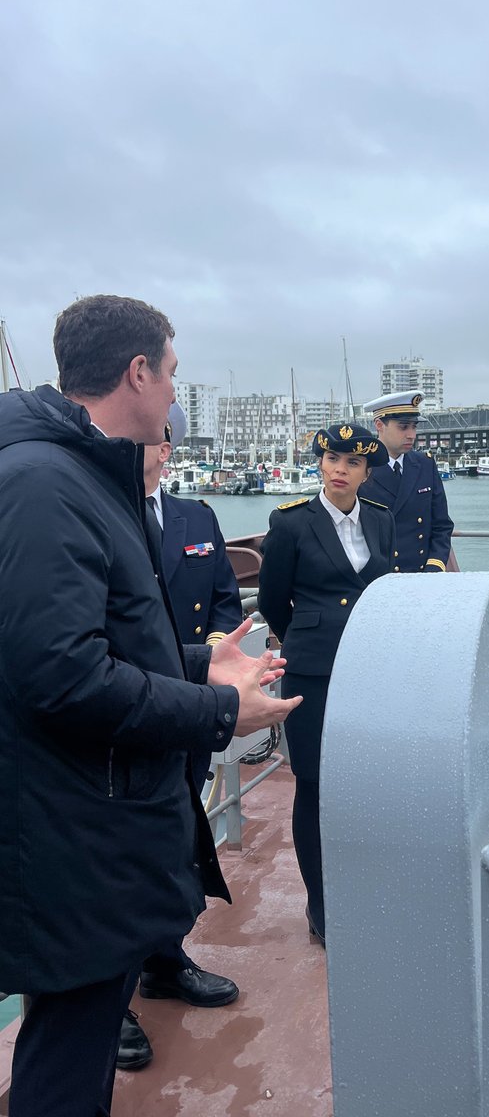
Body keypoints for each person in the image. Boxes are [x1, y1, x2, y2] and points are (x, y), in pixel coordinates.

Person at [0, 294, 302, 1117]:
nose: (173, 391)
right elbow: (58, 675)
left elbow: (92, 641)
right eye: (171, 372)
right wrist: (216, 715)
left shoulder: (68, 473)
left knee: (82, 1038)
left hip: (84, 823)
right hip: (68, 833)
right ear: (137, 371)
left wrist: (199, 663)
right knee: (68, 1056)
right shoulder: (43, 483)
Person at [117, 407, 244, 1071]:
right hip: (128, 709)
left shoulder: (196, 518)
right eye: (148, 439)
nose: (162, 450)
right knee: (119, 854)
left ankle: (164, 961)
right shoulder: (97, 516)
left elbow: (224, 594)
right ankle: (112, 1002)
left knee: (173, 832)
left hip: (191, 704)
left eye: (167, 440)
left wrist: (221, 644)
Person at [257, 424, 396, 946]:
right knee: (313, 783)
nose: (340, 469)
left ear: (365, 472)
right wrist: (307, 634)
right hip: (313, 670)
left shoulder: (381, 521)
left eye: (352, 462)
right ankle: (320, 902)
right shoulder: (291, 522)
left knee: (365, 778)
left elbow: (385, 588)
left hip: (371, 666)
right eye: (332, 458)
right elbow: (273, 600)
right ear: (320, 464)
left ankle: (362, 884)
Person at [359, 390, 454, 572]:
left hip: (421, 575)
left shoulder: (425, 464)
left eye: (414, 427)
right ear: (379, 425)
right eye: (403, 427)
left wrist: (434, 565)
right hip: (378, 579)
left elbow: (441, 524)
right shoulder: (362, 467)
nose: (411, 435)